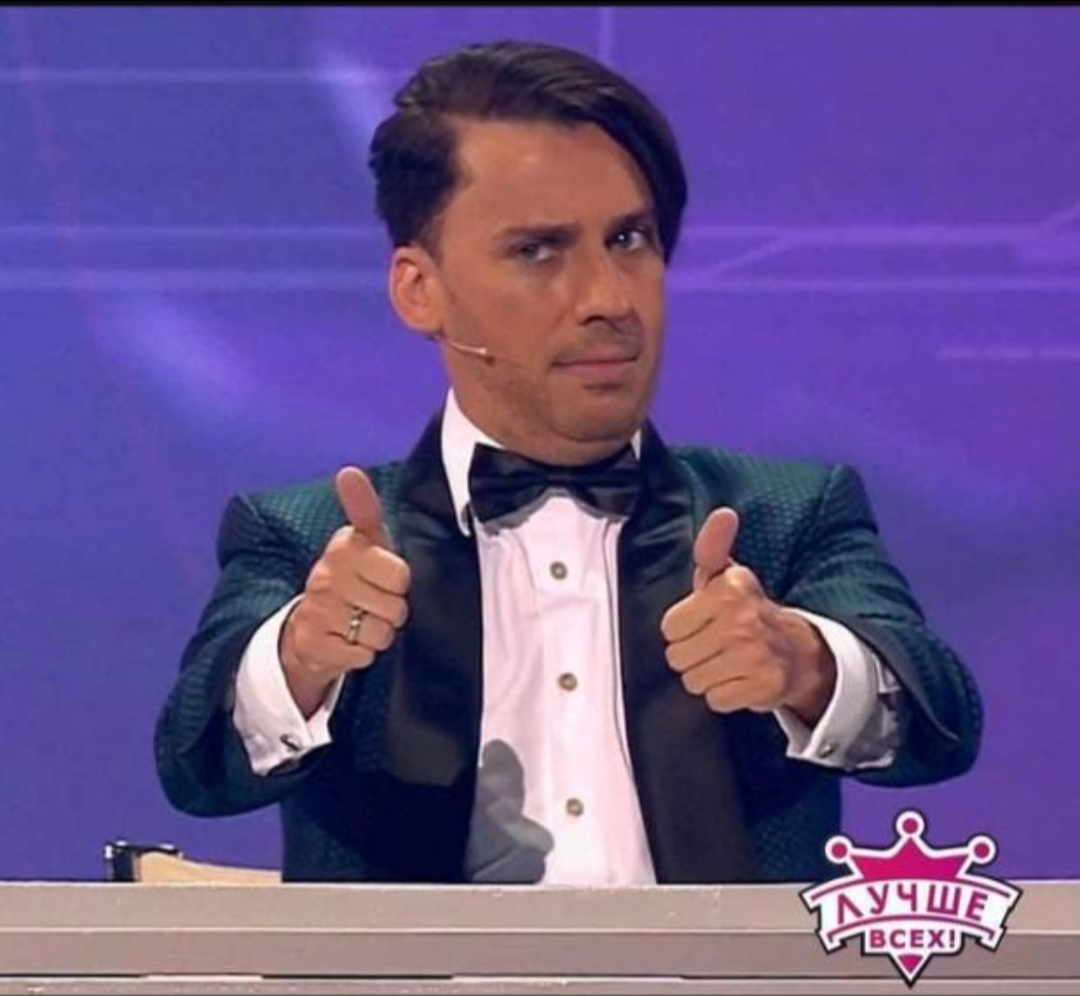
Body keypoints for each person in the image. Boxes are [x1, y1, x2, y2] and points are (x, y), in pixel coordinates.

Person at [155, 40, 982, 884]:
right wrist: (302, 657)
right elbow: (195, 761)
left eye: (630, 239)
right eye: (538, 250)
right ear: (419, 290)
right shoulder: (308, 536)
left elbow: (941, 721)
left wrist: (802, 664)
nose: (609, 299)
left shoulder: (786, 514)